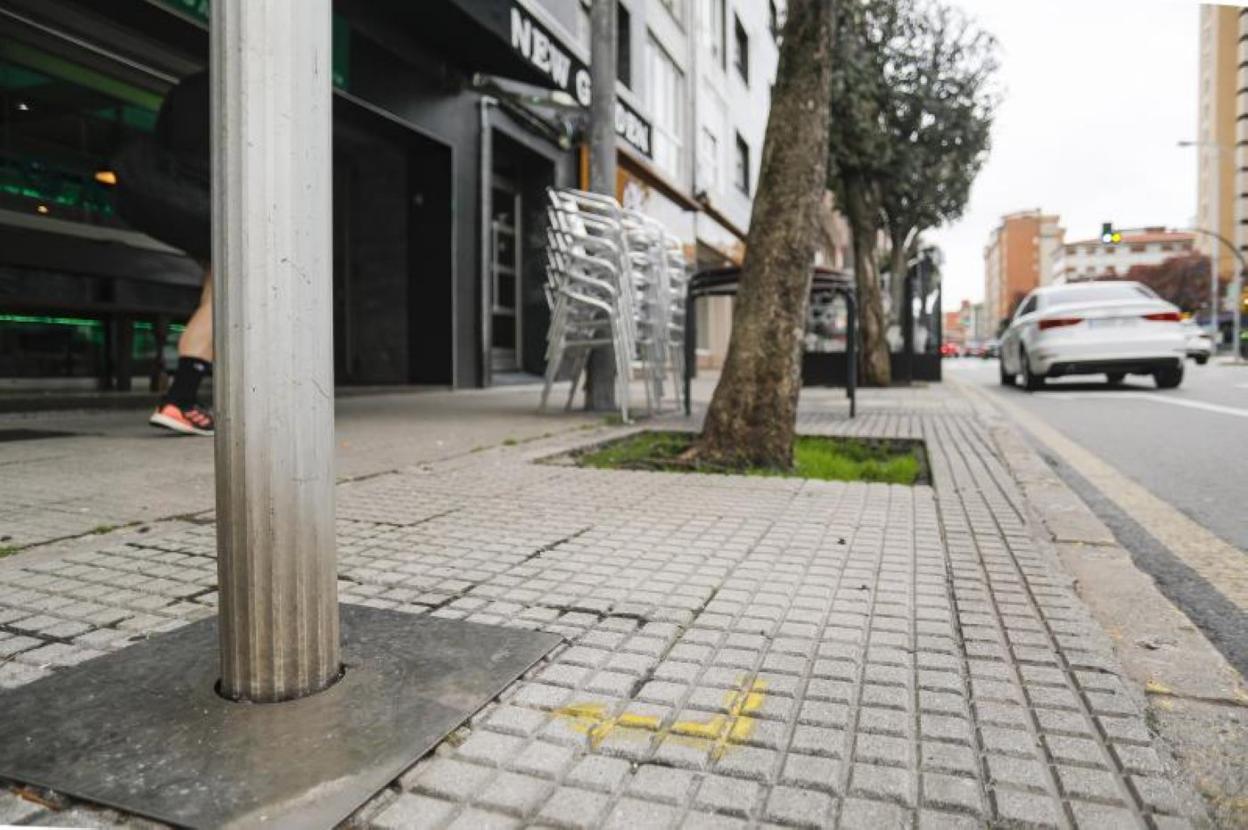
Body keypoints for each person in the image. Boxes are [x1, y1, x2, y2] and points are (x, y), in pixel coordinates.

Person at [115, 71, 214, 435]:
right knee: (227, 295)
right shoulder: (242, 82)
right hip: (206, 201)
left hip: (176, 198)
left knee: (217, 288)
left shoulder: (188, 87)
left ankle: (183, 394)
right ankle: (180, 399)